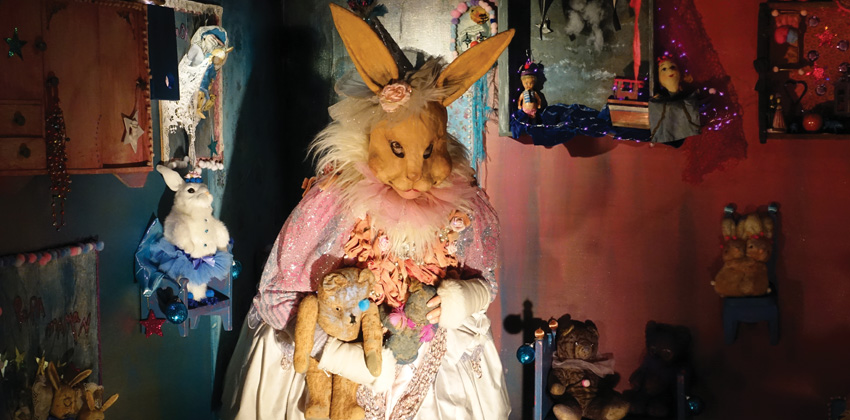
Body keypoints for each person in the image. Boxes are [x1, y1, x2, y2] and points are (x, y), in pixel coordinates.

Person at [221, 4, 514, 419]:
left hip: (430, 346)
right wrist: (335, 353)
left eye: (428, 151)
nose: (414, 175)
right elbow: (279, 293)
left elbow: (486, 281)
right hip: (339, 348)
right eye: (398, 150)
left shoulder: (465, 206)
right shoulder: (334, 200)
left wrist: (465, 297)